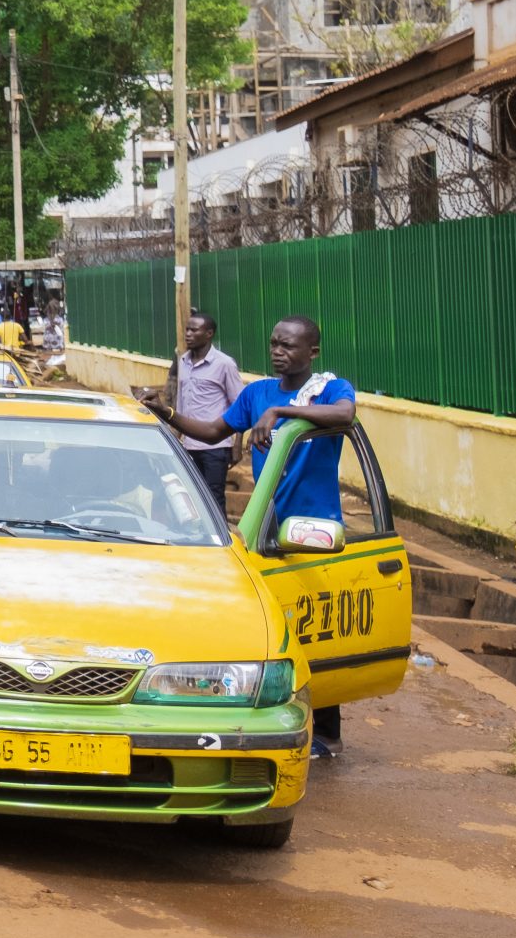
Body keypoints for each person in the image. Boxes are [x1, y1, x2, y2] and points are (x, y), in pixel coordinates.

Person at [175, 315, 358, 760]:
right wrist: (168, 415)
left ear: (312, 351)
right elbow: (215, 432)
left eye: (289, 346)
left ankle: (327, 734)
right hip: (265, 530)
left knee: (315, 634)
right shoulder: (256, 393)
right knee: (268, 630)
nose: (278, 351)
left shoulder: (330, 389)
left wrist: (283, 411)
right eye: (274, 343)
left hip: (312, 533)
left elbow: (345, 415)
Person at [135, 310, 244, 515]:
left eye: (194, 330)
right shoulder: (183, 361)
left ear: (209, 333)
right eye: (187, 329)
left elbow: (239, 406)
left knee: (213, 496)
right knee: (189, 495)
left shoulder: (224, 364)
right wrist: (175, 438)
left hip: (216, 445)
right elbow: (182, 405)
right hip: (189, 444)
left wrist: (236, 444)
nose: (188, 334)